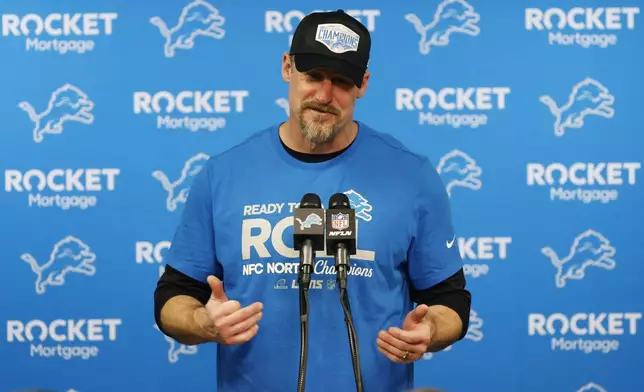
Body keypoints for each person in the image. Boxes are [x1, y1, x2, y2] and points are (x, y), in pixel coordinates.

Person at [154, 9, 472, 392]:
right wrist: (201, 322)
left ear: (363, 85)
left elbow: (449, 298)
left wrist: (431, 328)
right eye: (313, 76)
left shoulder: (412, 176)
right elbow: (173, 296)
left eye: (341, 81)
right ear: (288, 67)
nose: (324, 95)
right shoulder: (223, 174)